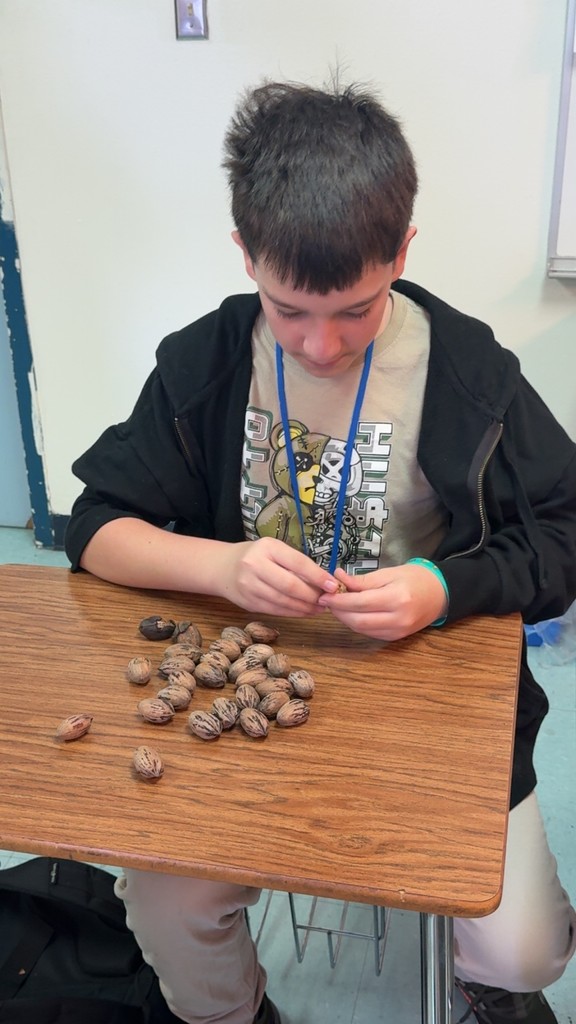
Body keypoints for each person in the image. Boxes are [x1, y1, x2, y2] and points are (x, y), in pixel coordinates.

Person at [64, 79, 576, 1024]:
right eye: (291, 309)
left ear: (402, 253)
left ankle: (483, 985)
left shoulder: (468, 371)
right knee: (168, 908)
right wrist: (220, 566)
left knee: (528, 951)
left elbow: (563, 529)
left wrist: (442, 585)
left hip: (429, 705)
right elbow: (95, 525)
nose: (324, 343)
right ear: (247, 256)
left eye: (357, 307)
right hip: (250, 690)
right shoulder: (205, 364)